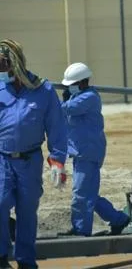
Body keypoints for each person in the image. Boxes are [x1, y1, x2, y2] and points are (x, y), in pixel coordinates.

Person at [0, 39, 67, 269]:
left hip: (30, 160)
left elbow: (57, 127)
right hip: (2, 159)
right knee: (0, 203)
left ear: (14, 63)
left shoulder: (43, 90)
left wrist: (57, 160)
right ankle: (1, 257)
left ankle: (26, 261)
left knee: (27, 210)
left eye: (2, 65)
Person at [60, 62, 130, 237]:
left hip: (88, 152)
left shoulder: (89, 97)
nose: (70, 88)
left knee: (81, 194)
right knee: (88, 194)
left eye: (72, 85)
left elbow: (67, 109)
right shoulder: (79, 95)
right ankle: (119, 219)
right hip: (81, 151)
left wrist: (52, 99)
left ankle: (81, 231)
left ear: (83, 82)